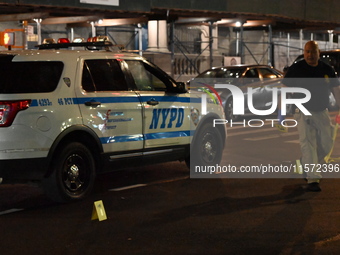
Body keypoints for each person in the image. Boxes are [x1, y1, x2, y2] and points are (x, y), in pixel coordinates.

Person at [282, 41, 340, 192]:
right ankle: (313, 179)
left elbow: (336, 89)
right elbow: (284, 87)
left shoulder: (326, 69)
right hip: (303, 112)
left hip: (322, 111)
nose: (310, 55)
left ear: (318, 53)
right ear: (304, 52)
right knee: (308, 145)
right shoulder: (297, 68)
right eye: (307, 52)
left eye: (313, 52)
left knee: (327, 145)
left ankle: (305, 163)